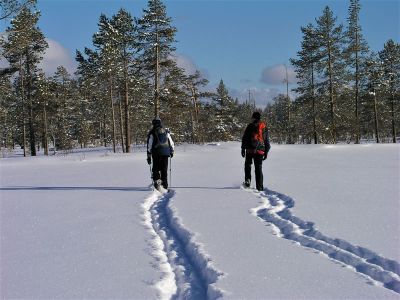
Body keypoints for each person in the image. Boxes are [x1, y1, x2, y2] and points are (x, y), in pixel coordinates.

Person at [241, 111, 271, 191]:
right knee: (258, 168)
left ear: (254, 118)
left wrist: (243, 149)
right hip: (260, 151)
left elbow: (244, 138)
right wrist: (266, 152)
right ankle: (260, 187)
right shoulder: (263, 127)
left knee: (248, 165)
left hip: (249, 150)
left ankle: (247, 181)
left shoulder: (250, 126)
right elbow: (267, 141)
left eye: (252, 117)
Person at [147, 117, 175, 190]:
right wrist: (172, 151)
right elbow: (171, 142)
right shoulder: (165, 131)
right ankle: (165, 186)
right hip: (166, 153)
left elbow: (149, 145)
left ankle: (158, 183)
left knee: (155, 169)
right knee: (164, 170)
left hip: (156, 153)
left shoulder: (152, 132)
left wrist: (149, 156)